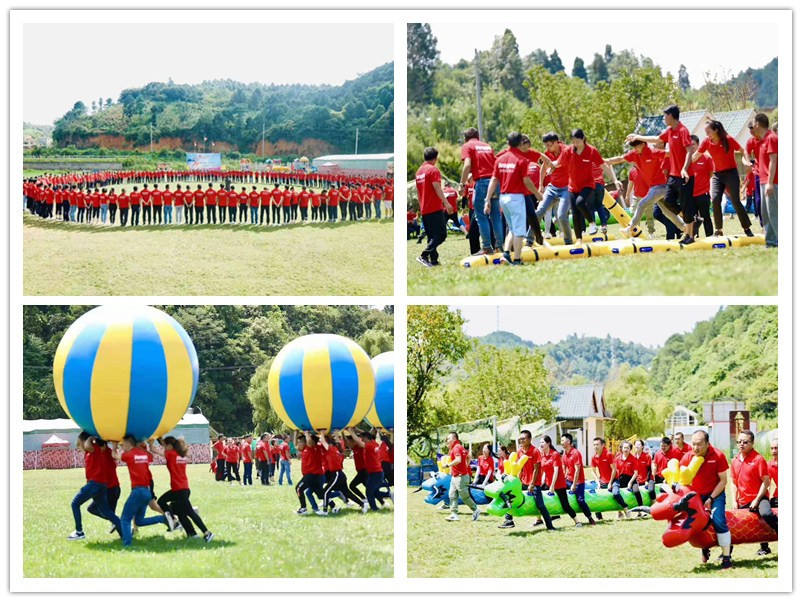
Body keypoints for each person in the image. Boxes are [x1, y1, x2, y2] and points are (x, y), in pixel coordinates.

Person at [627, 105, 695, 242]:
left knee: (684, 204)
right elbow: (657, 139)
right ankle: (692, 220)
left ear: (671, 116)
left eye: (665, 116)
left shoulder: (683, 131)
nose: (664, 118)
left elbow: (689, 150)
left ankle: (690, 235)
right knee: (669, 203)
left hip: (684, 175)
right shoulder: (669, 131)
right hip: (673, 176)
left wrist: (684, 168)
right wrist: (638, 136)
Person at [605, 140, 684, 237]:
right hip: (654, 188)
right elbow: (620, 159)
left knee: (642, 204)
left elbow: (670, 153)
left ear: (643, 144)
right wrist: (607, 161)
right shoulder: (634, 154)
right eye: (633, 147)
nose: (634, 149)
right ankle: (685, 228)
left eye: (636, 146)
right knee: (667, 212)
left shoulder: (653, 152)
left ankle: (629, 228)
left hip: (661, 186)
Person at [485, 131, 540, 264]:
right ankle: (517, 259)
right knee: (519, 231)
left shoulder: (500, 159)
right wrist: (538, 194)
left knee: (512, 228)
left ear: (508, 142)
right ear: (520, 143)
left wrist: (487, 199)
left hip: (503, 198)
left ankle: (506, 254)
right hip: (516, 198)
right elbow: (526, 181)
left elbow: (493, 180)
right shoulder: (522, 160)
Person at [692, 120, 753, 238]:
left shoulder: (728, 139)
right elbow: (696, 156)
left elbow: (742, 150)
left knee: (735, 201)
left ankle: (746, 227)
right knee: (715, 199)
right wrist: (684, 165)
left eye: (708, 131)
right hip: (717, 175)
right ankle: (718, 229)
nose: (706, 134)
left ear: (716, 130)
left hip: (731, 173)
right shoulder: (706, 142)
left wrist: (746, 161)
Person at [681, 429, 732, 568]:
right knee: (696, 522)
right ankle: (705, 548)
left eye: (699, 444)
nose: (695, 448)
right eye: (693, 444)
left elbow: (723, 481)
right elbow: (682, 481)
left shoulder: (718, 455)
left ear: (708, 444)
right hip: (696, 496)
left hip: (715, 493)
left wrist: (711, 497)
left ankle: (727, 558)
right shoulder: (687, 457)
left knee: (718, 520)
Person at [151, 437, 214, 541]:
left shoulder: (171, 454)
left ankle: (207, 532)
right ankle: (192, 534)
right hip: (184, 488)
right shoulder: (181, 455)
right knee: (180, 512)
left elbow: (153, 450)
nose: (164, 448)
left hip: (178, 490)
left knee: (163, 502)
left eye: (166, 446)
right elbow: (165, 447)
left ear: (170, 446)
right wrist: (160, 439)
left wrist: (151, 442)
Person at [114, 436, 172, 547]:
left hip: (138, 491)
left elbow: (115, 456)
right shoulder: (144, 454)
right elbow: (150, 456)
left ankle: (127, 544)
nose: (123, 447)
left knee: (125, 519)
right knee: (139, 521)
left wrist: (114, 445)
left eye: (123, 445)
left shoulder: (129, 455)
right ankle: (163, 518)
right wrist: (147, 446)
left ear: (128, 444)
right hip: (147, 491)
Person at [67, 432, 122, 541]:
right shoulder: (89, 452)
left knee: (75, 503)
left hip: (95, 483)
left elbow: (87, 445)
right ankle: (125, 534)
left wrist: (91, 437)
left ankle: (79, 532)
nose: (80, 446)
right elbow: (83, 445)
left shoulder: (95, 448)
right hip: (101, 485)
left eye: (80, 443)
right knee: (107, 512)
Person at [730, 429, 777, 554]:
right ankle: (726, 554)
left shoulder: (758, 459)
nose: (741, 444)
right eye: (739, 441)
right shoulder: (734, 461)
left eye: (745, 442)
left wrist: (756, 500)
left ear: (752, 443)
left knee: (766, 515)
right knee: (731, 525)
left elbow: (766, 482)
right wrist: (734, 500)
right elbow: (734, 483)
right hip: (742, 500)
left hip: (760, 498)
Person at [499, 429, 554, 530]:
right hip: (522, 481)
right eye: (520, 439)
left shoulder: (535, 451)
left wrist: (532, 484)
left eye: (523, 439)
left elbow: (536, 469)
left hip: (534, 483)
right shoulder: (519, 451)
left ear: (529, 439)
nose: (521, 441)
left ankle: (550, 526)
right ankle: (508, 520)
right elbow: (519, 467)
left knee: (540, 505)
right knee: (510, 495)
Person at [459, 127, 503, 254]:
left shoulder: (467, 146)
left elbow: (467, 165)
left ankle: (487, 247)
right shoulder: (487, 146)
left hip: (482, 183)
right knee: (496, 216)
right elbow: (493, 164)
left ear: (465, 138)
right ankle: (499, 246)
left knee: (481, 216)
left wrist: (462, 185)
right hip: (495, 181)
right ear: (478, 136)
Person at [415, 147, 451, 268]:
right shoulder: (433, 170)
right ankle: (424, 255)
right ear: (435, 158)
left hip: (424, 208)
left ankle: (434, 260)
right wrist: (446, 203)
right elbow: (437, 187)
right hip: (434, 207)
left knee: (431, 236)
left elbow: (418, 191)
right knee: (441, 235)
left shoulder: (419, 171)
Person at [751, 112, 778, 247]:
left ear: (757, 124)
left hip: (771, 182)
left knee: (774, 214)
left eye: (753, 123)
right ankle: (771, 242)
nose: (752, 126)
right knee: (766, 214)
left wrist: (770, 183)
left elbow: (774, 160)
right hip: (763, 182)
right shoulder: (761, 140)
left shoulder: (771, 138)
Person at [320, 431, 364, 512]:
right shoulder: (336, 449)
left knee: (325, 491)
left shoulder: (331, 450)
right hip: (339, 475)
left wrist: (321, 432)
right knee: (347, 493)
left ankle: (325, 511)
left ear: (330, 445)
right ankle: (362, 504)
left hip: (337, 474)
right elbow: (334, 442)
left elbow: (322, 441)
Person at [442, 431, 480, 522]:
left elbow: (458, 460)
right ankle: (454, 514)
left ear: (455, 438)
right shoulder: (459, 447)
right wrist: (466, 466)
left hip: (461, 477)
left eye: (449, 438)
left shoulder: (456, 448)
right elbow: (468, 456)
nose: (448, 440)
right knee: (452, 495)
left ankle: (476, 510)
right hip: (456, 476)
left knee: (464, 496)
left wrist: (448, 465)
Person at [562, 433, 596, 525]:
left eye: (562, 440)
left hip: (578, 482)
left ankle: (590, 517)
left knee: (580, 500)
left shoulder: (575, 453)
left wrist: (574, 484)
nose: (561, 442)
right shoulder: (564, 454)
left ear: (568, 442)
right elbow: (565, 468)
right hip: (568, 480)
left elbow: (577, 470)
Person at [687, 136, 715, 237]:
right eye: (689, 145)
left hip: (703, 193)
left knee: (705, 216)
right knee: (693, 218)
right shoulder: (687, 160)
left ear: (698, 145)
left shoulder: (706, 158)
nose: (691, 147)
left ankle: (710, 236)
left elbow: (711, 173)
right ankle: (694, 236)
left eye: (693, 144)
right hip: (690, 194)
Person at [608, 441, 643, 518]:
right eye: (624, 447)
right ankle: (620, 512)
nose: (626, 449)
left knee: (636, 491)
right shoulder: (617, 458)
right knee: (615, 493)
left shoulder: (633, 459)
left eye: (628, 448)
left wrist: (630, 483)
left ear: (630, 449)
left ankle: (641, 511)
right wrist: (610, 482)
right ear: (622, 448)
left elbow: (636, 473)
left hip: (631, 478)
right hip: (620, 479)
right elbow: (614, 471)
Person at [295, 432, 326, 516]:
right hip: (312, 475)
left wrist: (306, 433)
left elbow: (309, 441)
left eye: (301, 441)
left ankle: (303, 508)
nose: (299, 443)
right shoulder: (305, 448)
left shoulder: (311, 448)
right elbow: (296, 446)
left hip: (311, 475)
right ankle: (335, 503)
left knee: (298, 488)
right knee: (320, 494)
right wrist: (296, 433)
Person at [590, 437, 613, 520]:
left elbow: (614, 469)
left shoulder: (608, 454)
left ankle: (621, 512)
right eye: (594, 445)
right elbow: (592, 471)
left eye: (597, 444)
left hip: (612, 480)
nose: (595, 446)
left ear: (603, 445)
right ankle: (599, 517)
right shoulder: (594, 457)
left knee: (616, 494)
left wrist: (611, 482)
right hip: (602, 481)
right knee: (596, 497)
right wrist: (597, 481)